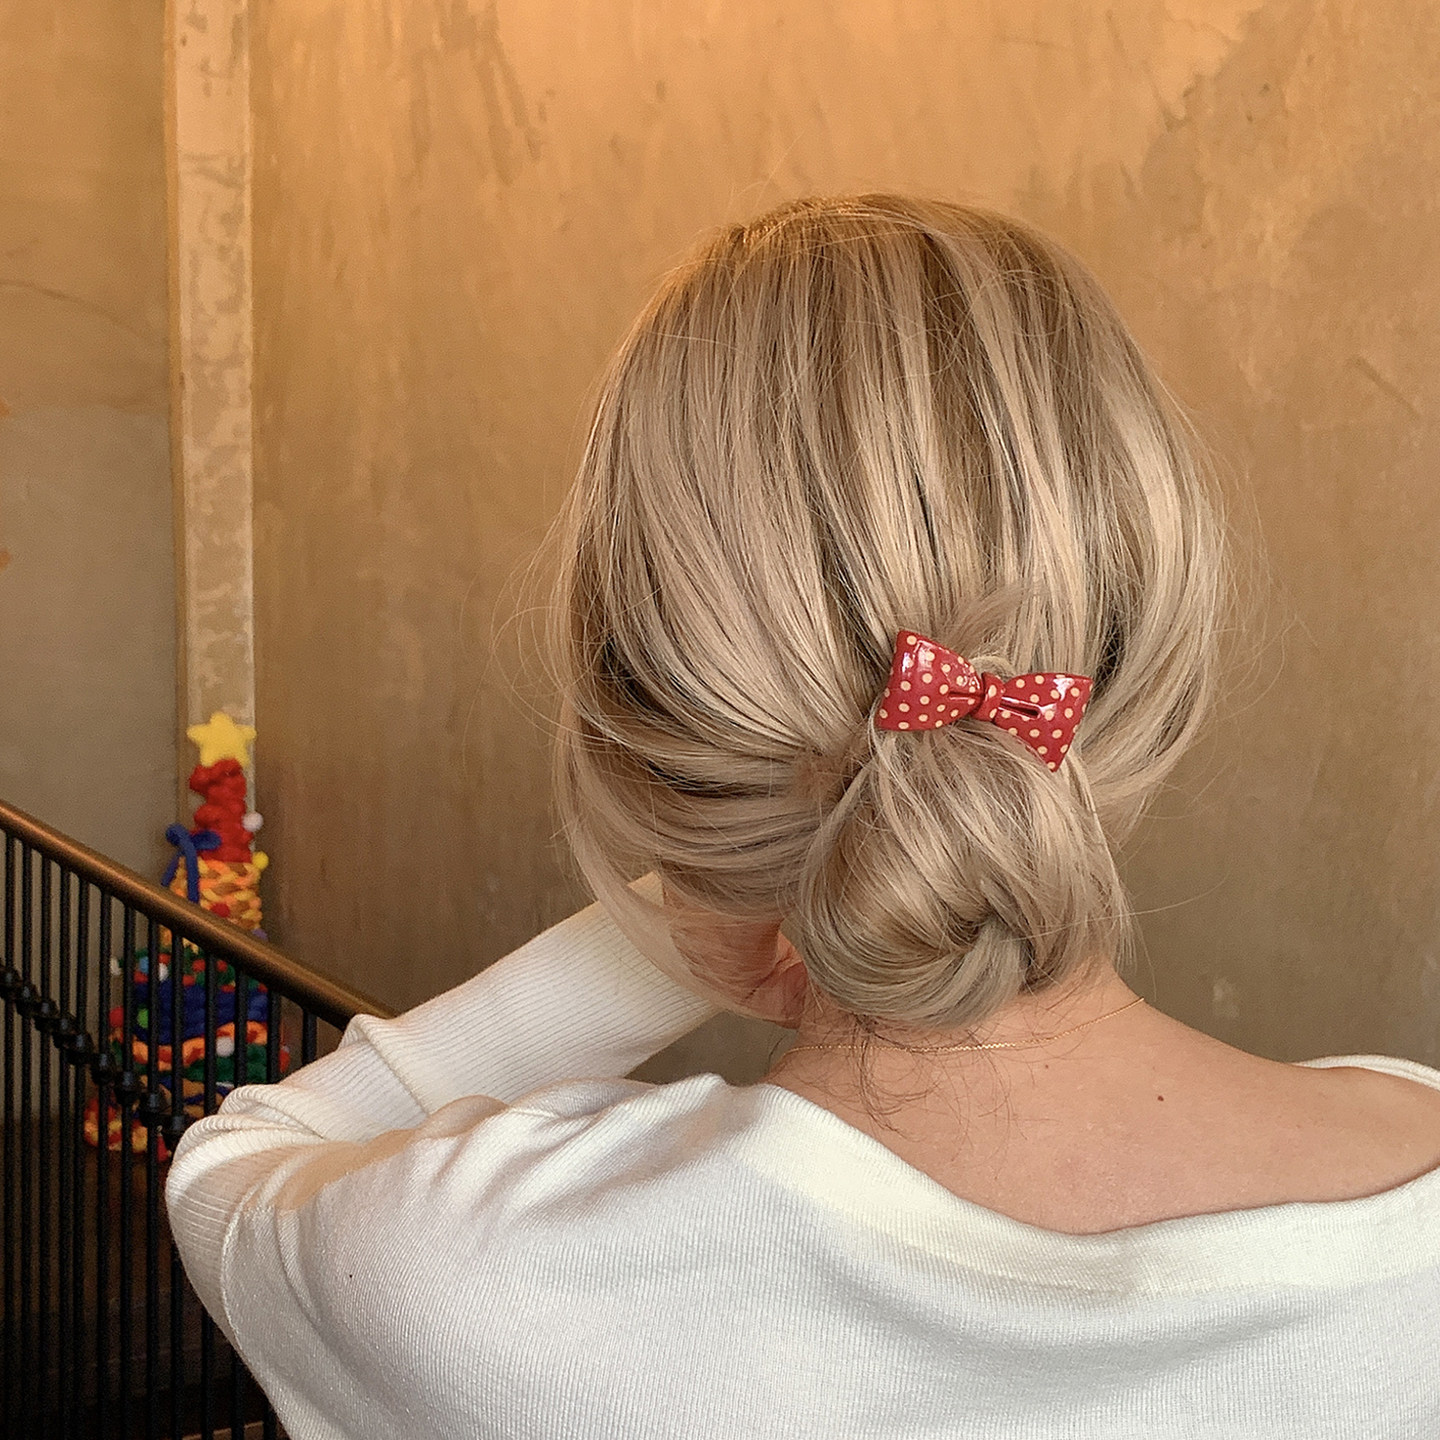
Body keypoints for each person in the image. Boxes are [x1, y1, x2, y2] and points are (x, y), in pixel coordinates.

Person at [167, 195, 1440, 1438]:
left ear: (641, 695)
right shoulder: (1416, 1182)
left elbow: (234, 1163)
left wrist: (700, 915)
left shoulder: (471, 1267)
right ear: (1144, 635)